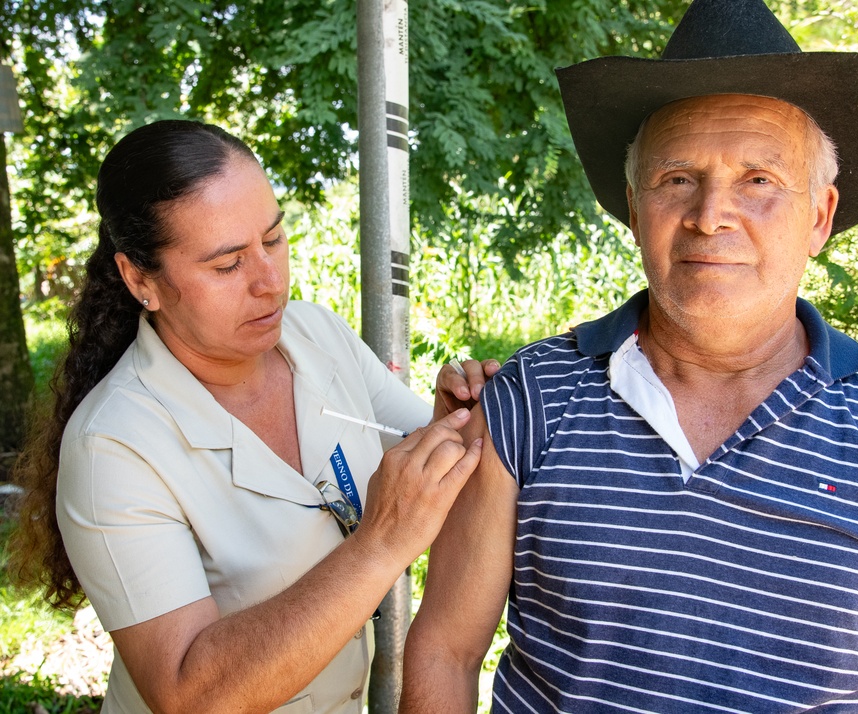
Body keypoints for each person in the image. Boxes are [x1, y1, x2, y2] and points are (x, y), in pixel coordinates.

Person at [399, 1, 858, 712]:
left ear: (819, 216)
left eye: (759, 181)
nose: (710, 213)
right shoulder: (530, 398)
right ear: (633, 207)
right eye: (677, 178)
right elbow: (445, 650)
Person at [6, 118, 498, 714]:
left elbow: (438, 486)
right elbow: (189, 695)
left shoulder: (317, 335)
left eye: (273, 238)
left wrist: (452, 423)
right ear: (141, 280)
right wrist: (379, 545)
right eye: (227, 264)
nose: (269, 282)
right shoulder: (113, 444)